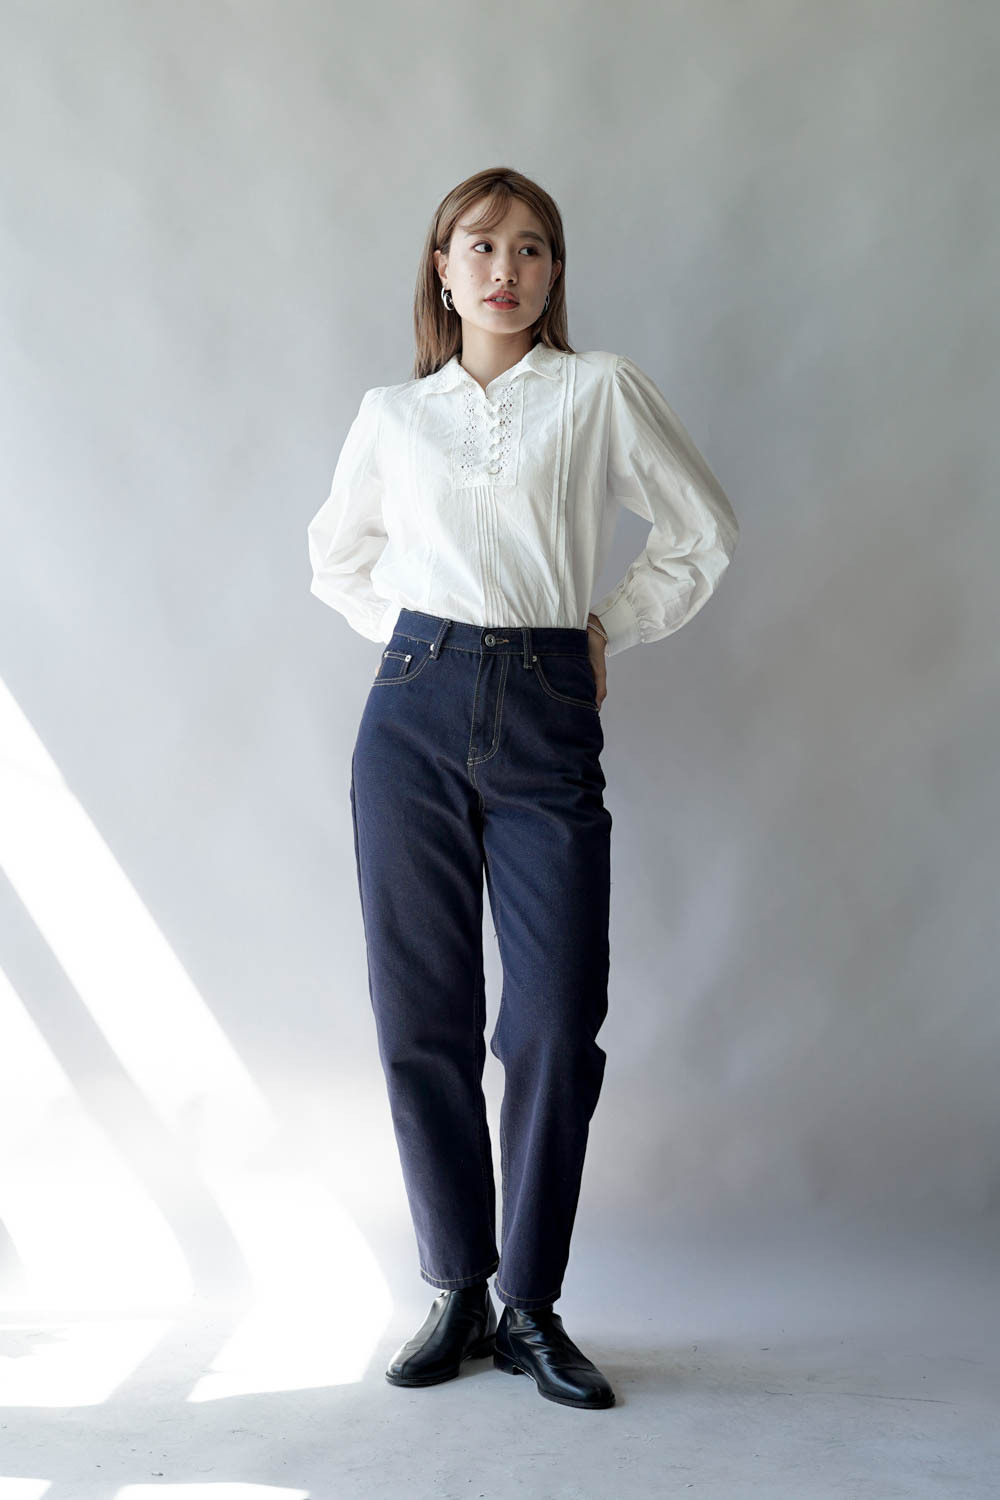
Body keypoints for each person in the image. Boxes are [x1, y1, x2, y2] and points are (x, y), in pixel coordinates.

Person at [306, 167, 739, 1411]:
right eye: (482, 245)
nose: (507, 268)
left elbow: (700, 531)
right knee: (420, 1014)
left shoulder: (596, 390)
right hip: (410, 714)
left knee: (552, 1019)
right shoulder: (394, 414)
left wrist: (606, 627)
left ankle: (531, 1304)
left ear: (554, 273)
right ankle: (457, 1287)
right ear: (442, 270)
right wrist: (423, 642)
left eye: (533, 248)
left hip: (547, 704)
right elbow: (337, 558)